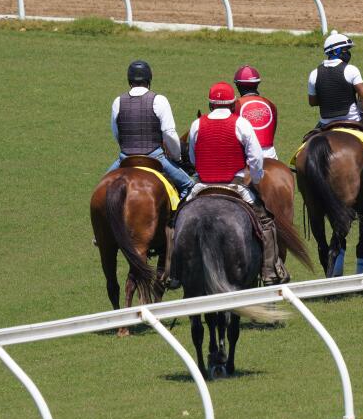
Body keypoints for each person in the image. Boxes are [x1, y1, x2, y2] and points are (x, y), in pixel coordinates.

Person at [185, 82, 286, 286]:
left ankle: (172, 270)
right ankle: (269, 271)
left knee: (175, 220)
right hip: (236, 186)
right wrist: (255, 179)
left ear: (210, 105)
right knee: (266, 223)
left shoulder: (197, 124)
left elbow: (192, 157)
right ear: (233, 105)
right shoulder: (241, 124)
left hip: (202, 187)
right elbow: (256, 158)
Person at [107, 59, 194, 197]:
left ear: (129, 79)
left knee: (102, 187)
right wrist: (177, 157)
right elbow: (169, 133)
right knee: (189, 186)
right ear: (149, 79)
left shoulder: (118, 102)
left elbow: (116, 132)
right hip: (155, 157)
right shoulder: (159, 100)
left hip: (125, 158)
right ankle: (176, 218)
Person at [308, 30, 363, 131]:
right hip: (353, 120)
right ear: (335, 51)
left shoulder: (313, 74)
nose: (348, 53)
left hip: (325, 123)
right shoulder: (351, 69)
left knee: (308, 141)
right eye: (345, 50)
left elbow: (312, 102)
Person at [232, 65, 278, 159]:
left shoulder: (234, 106)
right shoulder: (271, 104)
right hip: (270, 154)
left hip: (247, 155)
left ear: (238, 85)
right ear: (257, 84)